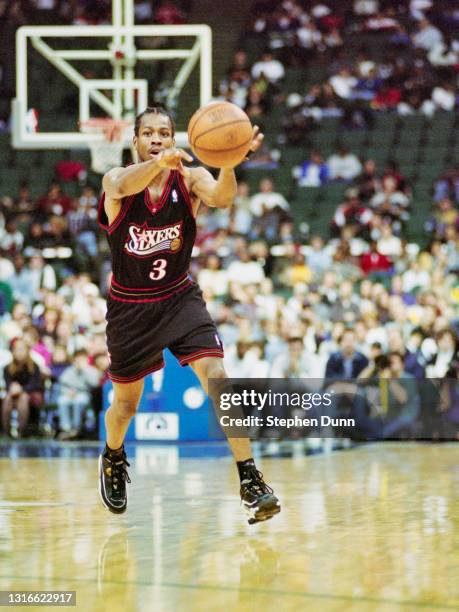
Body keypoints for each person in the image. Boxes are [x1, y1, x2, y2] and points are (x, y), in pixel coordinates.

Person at [97, 105, 280, 523]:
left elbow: (222, 196)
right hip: (130, 307)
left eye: (165, 132)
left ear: (176, 138)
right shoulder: (116, 181)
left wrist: (229, 163)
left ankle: (250, 478)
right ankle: (113, 455)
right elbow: (122, 182)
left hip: (179, 297)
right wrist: (158, 164)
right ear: (136, 141)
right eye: (149, 133)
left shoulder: (190, 178)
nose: (157, 139)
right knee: (126, 405)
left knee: (218, 377)